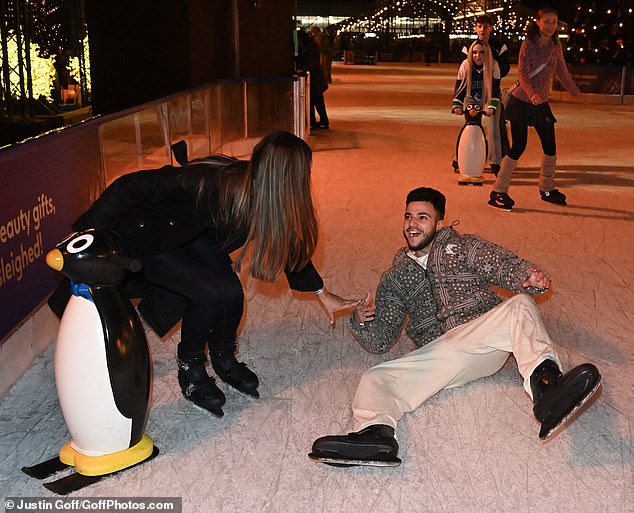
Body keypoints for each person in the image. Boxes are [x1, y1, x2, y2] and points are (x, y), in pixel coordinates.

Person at [49, 131, 356, 417]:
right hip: (151, 239)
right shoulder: (214, 182)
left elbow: (289, 241)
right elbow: (132, 186)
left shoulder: (271, 199)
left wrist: (321, 293)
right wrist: (90, 233)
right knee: (207, 294)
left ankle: (223, 356)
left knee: (231, 293)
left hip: (192, 238)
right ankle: (190, 366)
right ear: (288, 178)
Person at [309, 187, 601, 467]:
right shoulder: (396, 277)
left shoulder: (461, 246)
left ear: (439, 222)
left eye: (422, 217)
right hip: (444, 353)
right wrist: (362, 320)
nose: (413, 224)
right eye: (409, 217)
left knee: (520, 305)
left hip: (483, 338)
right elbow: (380, 341)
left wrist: (527, 277)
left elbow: (501, 265)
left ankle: (546, 386)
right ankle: (375, 435)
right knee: (375, 377)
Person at [489, 7, 587, 211]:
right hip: (522, 102)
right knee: (519, 146)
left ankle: (547, 187)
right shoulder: (529, 43)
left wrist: (575, 91)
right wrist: (532, 93)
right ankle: (499, 190)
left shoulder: (555, 45)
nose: (551, 26)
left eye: (554, 22)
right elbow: (523, 73)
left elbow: (562, 71)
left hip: (540, 103)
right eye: (547, 21)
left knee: (550, 146)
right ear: (538, 22)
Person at [453, 15, 510, 174]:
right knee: (469, 124)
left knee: (493, 128)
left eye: (486, 26)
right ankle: (459, 157)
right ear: (475, 28)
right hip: (473, 92)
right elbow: (465, 70)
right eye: (479, 26)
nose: (483, 29)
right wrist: (458, 102)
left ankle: (494, 160)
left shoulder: (499, 46)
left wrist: (491, 68)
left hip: (491, 91)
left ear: (491, 28)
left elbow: (504, 68)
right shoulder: (469, 46)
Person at [297, 28, 330, 130]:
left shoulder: (308, 46)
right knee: (318, 101)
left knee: (311, 101)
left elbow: (311, 62)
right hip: (317, 79)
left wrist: (302, 70)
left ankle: (313, 123)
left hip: (314, 79)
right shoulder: (311, 43)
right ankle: (323, 121)